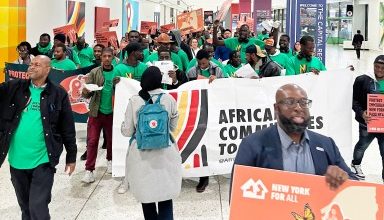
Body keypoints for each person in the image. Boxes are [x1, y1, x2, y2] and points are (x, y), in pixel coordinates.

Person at [233, 84, 355, 193]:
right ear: (276, 108)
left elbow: (355, 186)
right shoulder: (252, 145)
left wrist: (343, 179)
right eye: (290, 102)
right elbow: (237, 198)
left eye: (303, 102)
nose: (298, 108)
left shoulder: (326, 144)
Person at [0, 55, 77, 219]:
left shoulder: (58, 94)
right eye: (31, 64)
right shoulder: (14, 87)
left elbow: (67, 127)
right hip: (17, 161)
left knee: (38, 206)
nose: (31, 67)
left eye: (37, 64)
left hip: (43, 160)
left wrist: (71, 156)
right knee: (25, 207)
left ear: (47, 69)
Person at [121, 66, 181, 220]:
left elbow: (127, 131)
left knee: (146, 196)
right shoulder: (169, 99)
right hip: (165, 153)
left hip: (141, 155)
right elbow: (173, 127)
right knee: (165, 196)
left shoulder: (135, 100)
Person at [81, 48, 116, 183]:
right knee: (92, 141)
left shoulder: (117, 72)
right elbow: (87, 94)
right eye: (104, 56)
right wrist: (85, 91)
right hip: (96, 112)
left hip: (112, 113)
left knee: (112, 141)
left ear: (113, 57)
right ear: (101, 58)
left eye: (109, 56)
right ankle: (89, 170)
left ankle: (110, 160)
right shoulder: (94, 72)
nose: (107, 58)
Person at [351, 55, 384, 181]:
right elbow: (353, 100)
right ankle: (355, 164)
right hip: (367, 123)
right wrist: (362, 113)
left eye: (382, 68)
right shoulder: (362, 80)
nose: (379, 70)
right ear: (373, 66)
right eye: (377, 66)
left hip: (383, 124)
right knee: (362, 146)